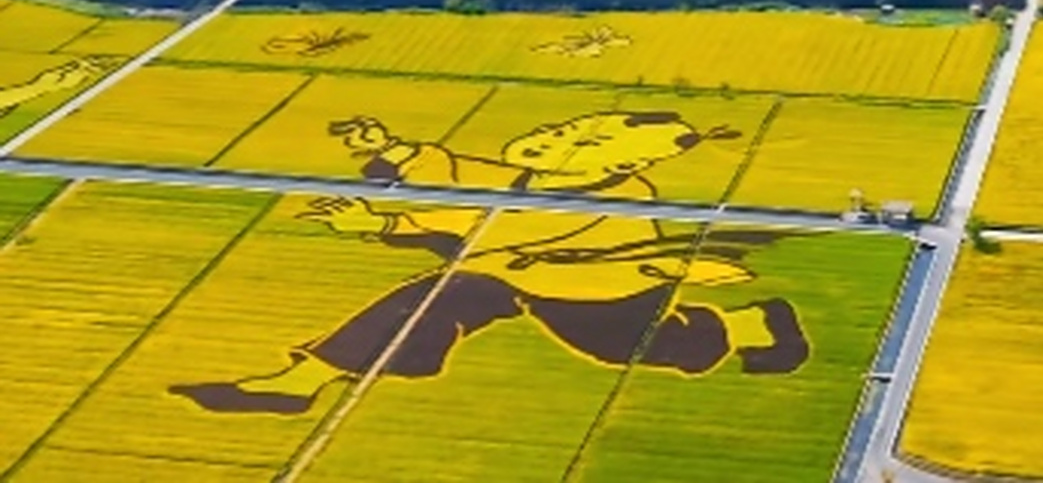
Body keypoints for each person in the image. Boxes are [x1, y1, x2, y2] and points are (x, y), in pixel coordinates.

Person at [173, 110, 808, 414]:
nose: (554, 136)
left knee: (639, 349)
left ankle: (751, 325)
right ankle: (299, 382)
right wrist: (394, 147)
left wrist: (386, 222)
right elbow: (464, 179)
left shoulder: (617, 197)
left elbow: (484, 221)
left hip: (597, 300)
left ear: (619, 166)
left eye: (580, 141)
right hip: (518, 278)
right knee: (432, 297)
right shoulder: (532, 180)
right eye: (568, 128)